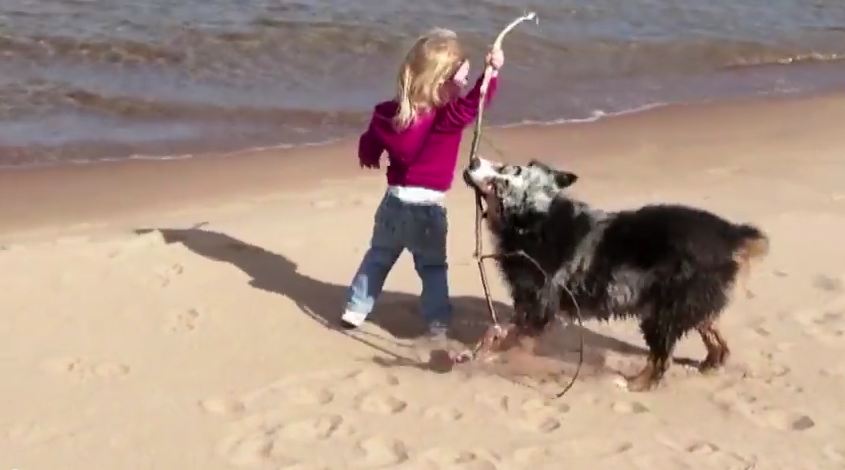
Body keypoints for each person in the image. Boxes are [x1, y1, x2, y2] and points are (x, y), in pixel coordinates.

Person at [341, 27, 504, 336]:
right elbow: (476, 103)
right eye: (461, 80)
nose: (465, 85)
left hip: (394, 205)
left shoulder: (391, 114)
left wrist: (370, 153)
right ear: (441, 82)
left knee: (378, 258)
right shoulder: (447, 118)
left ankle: (355, 309)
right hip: (428, 210)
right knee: (431, 269)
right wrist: (492, 73)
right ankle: (437, 320)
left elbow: (370, 142)